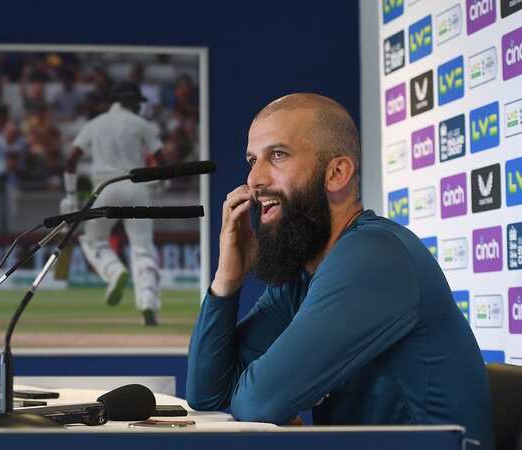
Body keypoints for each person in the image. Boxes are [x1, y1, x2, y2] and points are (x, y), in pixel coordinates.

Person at [186, 94, 494, 447]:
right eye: (252, 160)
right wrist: (226, 282)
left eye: (278, 155)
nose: (254, 180)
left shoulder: (375, 255)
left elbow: (256, 403)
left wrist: (267, 398)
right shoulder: (304, 274)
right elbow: (207, 396)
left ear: (336, 173)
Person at [60, 81, 163, 326]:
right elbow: (161, 159)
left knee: (93, 241)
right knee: (143, 248)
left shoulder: (94, 124)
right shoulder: (142, 124)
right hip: (136, 188)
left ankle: (113, 270)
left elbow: (72, 159)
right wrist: (158, 183)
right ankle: (147, 301)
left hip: (103, 188)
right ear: (132, 102)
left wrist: (71, 195)